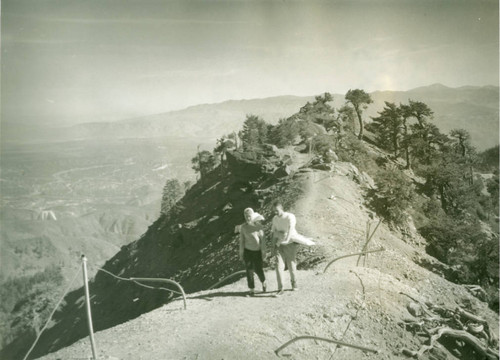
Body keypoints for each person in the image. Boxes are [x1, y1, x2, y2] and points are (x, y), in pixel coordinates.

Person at [271, 201, 314, 295]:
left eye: (277, 210)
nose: (275, 212)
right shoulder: (274, 219)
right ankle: (280, 288)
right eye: (274, 211)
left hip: (290, 244)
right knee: (279, 266)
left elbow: (290, 229)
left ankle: (294, 283)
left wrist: (287, 239)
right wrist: (273, 247)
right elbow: (273, 233)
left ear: (281, 209)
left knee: (291, 264)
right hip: (279, 245)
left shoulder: (290, 216)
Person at [239, 208, 267, 296]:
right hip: (248, 252)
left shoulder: (259, 227)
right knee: (249, 270)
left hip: (257, 252)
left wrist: (264, 252)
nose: (248, 218)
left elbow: (263, 241)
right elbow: (242, 241)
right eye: (246, 216)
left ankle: (263, 281)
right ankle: (251, 289)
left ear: (252, 216)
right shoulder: (243, 227)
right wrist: (241, 254)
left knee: (258, 269)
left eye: (249, 216)